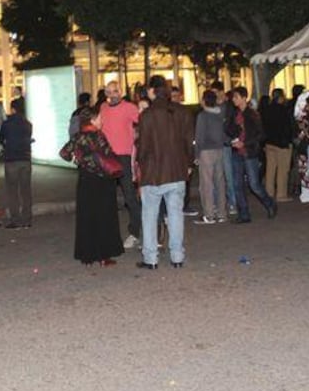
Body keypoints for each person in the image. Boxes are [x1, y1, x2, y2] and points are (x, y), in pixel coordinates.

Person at [134, 75, 193, 269]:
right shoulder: (182, 112)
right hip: (176, 171)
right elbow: (188, 142)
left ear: (152, 91)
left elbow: (142, 147)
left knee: (149, 215)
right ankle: (177, 256)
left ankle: (151, 258)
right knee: (175, 214)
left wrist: (140, 166)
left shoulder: (147, 115)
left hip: (153, 173)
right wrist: (189, 163)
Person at [60, 106, 124, 266]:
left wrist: (79, 160)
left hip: (85, 180)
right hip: (102, 181)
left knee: (87, 217)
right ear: (93, 120)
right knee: (104, 217)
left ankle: (87, 256)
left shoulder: (78, 136)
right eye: (100, 118)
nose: (102, 121)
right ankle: (104, 255)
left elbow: (64, 153)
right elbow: (109, 154)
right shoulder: (98, 136)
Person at [97, 80, 142, 248]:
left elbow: (143, 123)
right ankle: (109, 233)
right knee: (107, 198)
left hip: (123, 156)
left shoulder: (129, 107)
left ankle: (135, 233)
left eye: (114, 91)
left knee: (129, 196)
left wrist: (135, 140)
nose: (111, 95)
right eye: (108, 92)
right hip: (107, 157)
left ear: (121, 91)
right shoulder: (103, 107)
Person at [228, 87, 277, 223]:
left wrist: (245, 143)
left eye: (236, 97)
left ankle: (269, 203)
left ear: (244, 98)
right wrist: (234, 135)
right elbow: (228, 129)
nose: (234, 100)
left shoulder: (253, 114)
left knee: (254, 184)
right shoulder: (234, 114)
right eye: (233, 97)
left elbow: (260, 135)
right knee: (237, 184)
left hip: (250, 152)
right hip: (236, 152)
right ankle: (244, 214)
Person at [193, 89, 228, 224]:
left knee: (206, 183)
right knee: (220, 182)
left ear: (204, 101)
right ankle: (222, 213)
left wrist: (196, 154)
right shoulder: (219, 114)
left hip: (206, 150)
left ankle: (209, 214)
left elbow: (199, 136)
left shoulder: (202, 116)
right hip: (219, 149)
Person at [0, 98, 34, 229]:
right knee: (26, 190)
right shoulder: (28, 124)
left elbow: (1, 138)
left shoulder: (7, 124)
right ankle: (27, 219)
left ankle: (15, 219)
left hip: (11, 159)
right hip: (25, 159)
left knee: (12, 191)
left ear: (13, 109)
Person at [261, 88, 294, 203]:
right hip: (282, 143)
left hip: (269, 142)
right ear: (281, 97)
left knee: (270, 169)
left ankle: (268, 193)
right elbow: (288, 127)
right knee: (282, 170)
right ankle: (281, 194)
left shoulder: (266, 110)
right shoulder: (284, 110)